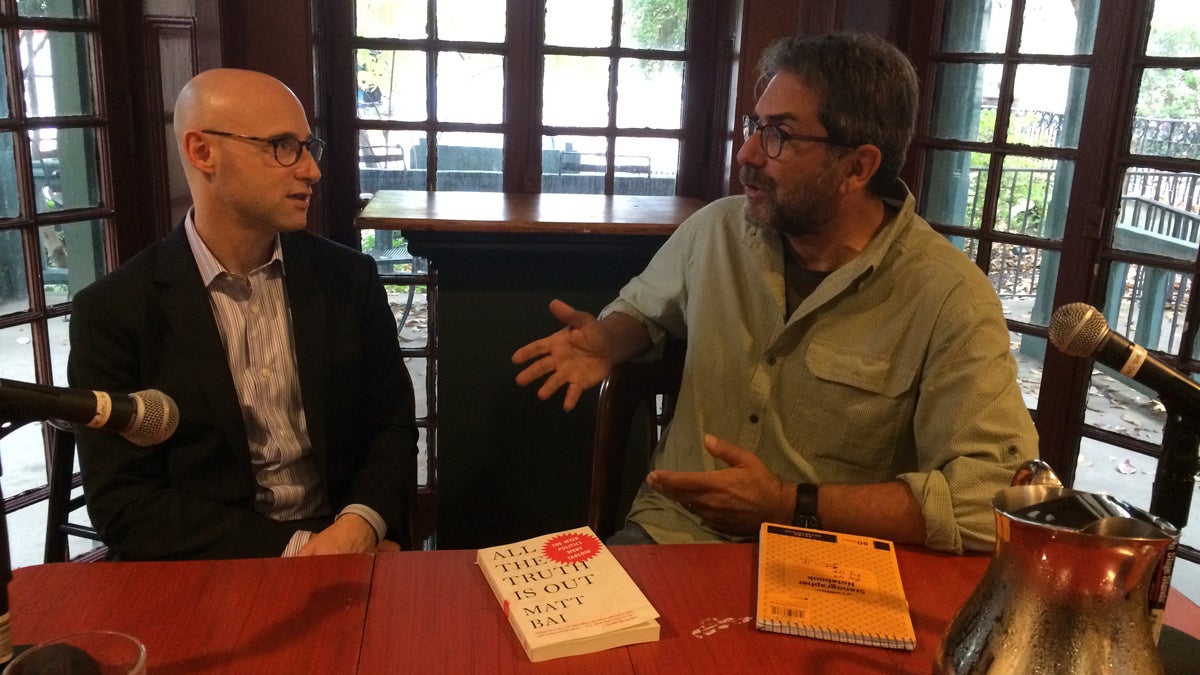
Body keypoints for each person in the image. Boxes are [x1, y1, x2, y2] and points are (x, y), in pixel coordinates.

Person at [512, 33, 1038, 554]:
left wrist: (791, 504)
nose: (747, 152)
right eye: (755, 126)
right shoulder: (717, 230)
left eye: (779, 135)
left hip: (836, 563)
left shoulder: (948, 295)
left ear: (857, 167)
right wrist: (609, 340)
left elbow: (1000, 500)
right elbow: (645, 311)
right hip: (676, 533)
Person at [68, 68, 418, 560]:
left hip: (348, 536)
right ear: (202, 152)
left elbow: (392, 426)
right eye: (281, 146)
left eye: (306, 146)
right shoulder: (114, 311)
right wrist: (301, 550)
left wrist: (360, 525)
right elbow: (125, 502)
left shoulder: (348, 278)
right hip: (210, 560)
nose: (311, 171)